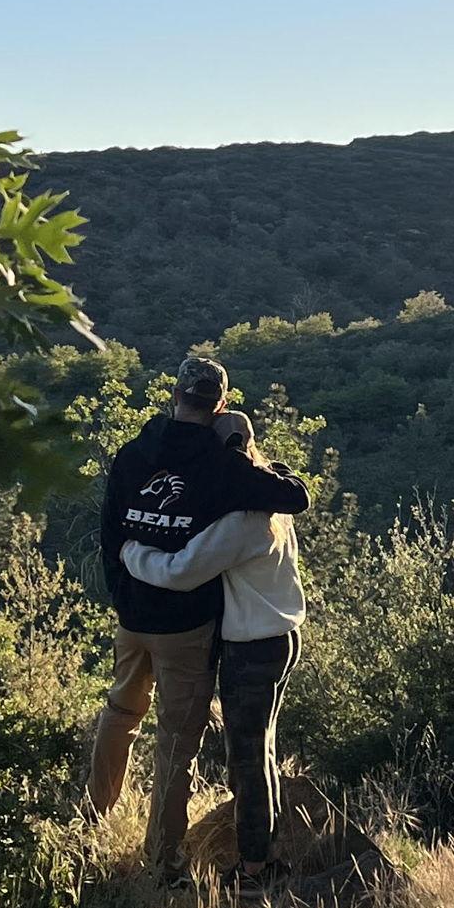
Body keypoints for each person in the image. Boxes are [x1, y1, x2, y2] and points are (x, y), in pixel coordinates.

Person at [90, 356, 308, 880]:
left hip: (132, 616)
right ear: (221, 404)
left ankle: (90, 818)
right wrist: (237, 450)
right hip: (186, 626)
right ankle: (164, 861)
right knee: (176, 744)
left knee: (119, 713)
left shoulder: (132, 454)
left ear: (174, 396)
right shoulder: (227, 472)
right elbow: (292, 496)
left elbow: (108, 532)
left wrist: (124, 583)